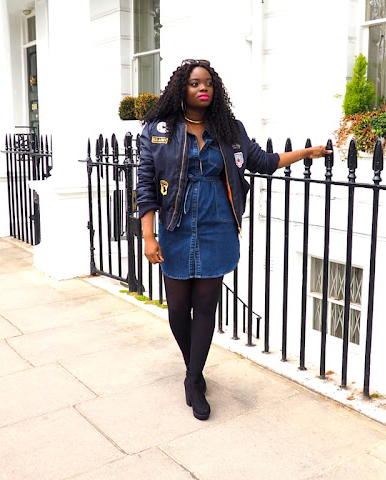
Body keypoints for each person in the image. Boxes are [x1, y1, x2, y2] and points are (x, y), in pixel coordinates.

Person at [136, 59, 331, 421]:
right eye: (194, 83)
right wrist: (148, 235)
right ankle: (193, 368)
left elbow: (264, 161)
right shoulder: (158, 130)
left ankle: (193, 379)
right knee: (178, 307)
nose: (202, 88)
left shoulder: (229, 129)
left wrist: (306, 153)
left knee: (206, 305)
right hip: (176, 222)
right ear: (182, 89)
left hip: (218, 223)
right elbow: (146, 183)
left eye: (208, 83)